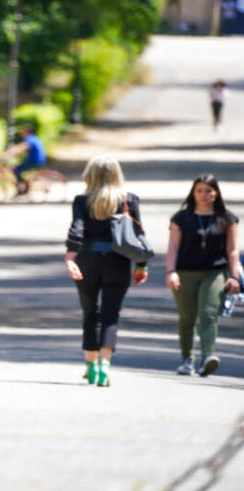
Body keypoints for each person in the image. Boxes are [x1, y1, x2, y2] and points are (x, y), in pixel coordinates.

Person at [64, 156, 148, 387]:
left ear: (89, 175)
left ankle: (90, 366)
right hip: (118, 261)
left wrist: (71, 257)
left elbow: (77, 230)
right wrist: (142, 266)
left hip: (87, 261)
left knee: (90, 313)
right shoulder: (129, 200)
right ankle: (105, 366)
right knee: (111, 315)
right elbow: (138, 236)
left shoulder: (82, 201)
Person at [165, 174, 240, 376]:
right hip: (185, 272)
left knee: (208, 313)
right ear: (193, 192)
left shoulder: (227, 218)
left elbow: (233, 250)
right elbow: (173, 246)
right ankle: (187, 359)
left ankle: (208, 356)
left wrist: (234, 277)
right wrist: (171, 272)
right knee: (187, 317)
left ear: (216, 193)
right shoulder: (181, 218)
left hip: (215, 272)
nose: (204, 195)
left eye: (208, 191)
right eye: (199, 190)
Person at [0, 123, 46, 194]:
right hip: (35, 160)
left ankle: (22, 188)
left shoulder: (30, 139)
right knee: (16, 168)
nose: (21, 133)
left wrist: (6, 155)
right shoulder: (33, 138)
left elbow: (20, 148)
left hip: (34, 161)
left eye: (22, 131)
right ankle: (23, 186)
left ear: (27, 131)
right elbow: (20, 147)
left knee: (17, 171)